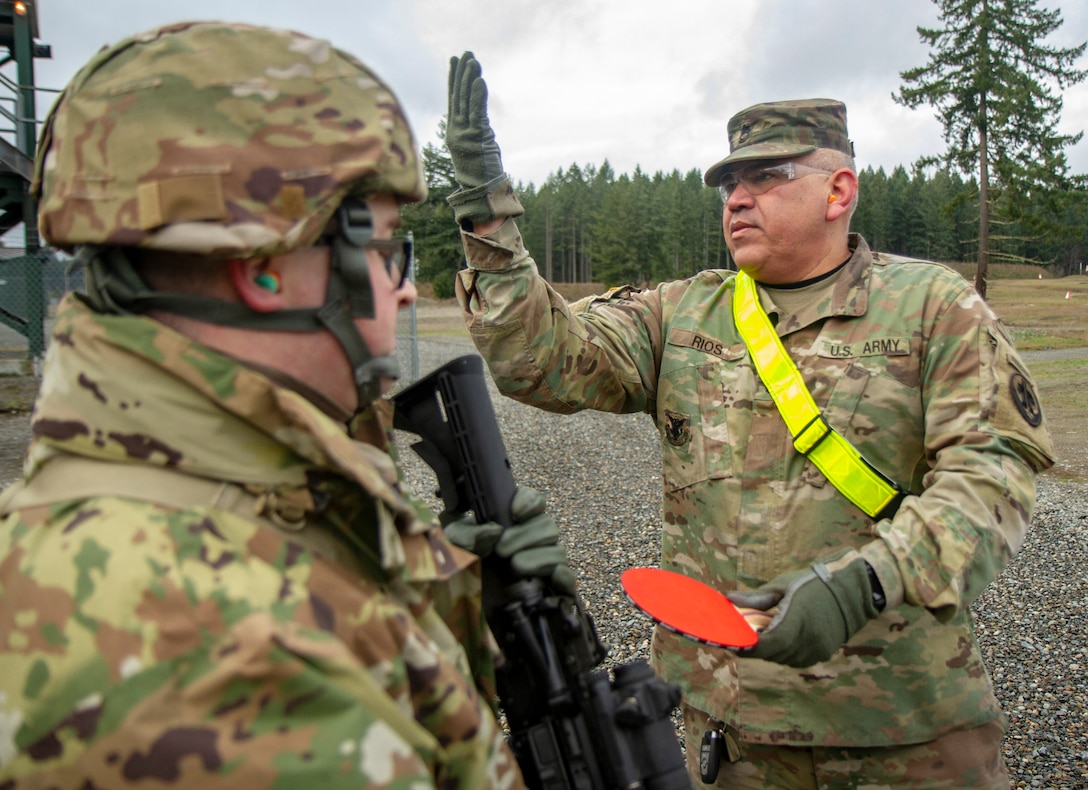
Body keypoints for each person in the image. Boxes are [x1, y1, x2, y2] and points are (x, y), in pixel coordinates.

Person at [443, 52, 1055, 788]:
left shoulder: (932, 307)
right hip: (734, 739)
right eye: (730, 183)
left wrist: (863, 583)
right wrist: (485, 208)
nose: (737, 197)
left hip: (902, 734)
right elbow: (537, 359)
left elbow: (993, 477)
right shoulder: (683, 313)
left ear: (839, 190)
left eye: (767, 177)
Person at [0, 24, 573, 788]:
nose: (404, 287)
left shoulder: (202, 500)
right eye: (388, 250)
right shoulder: (228, 665)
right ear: (268, 268)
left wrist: (459, 605)